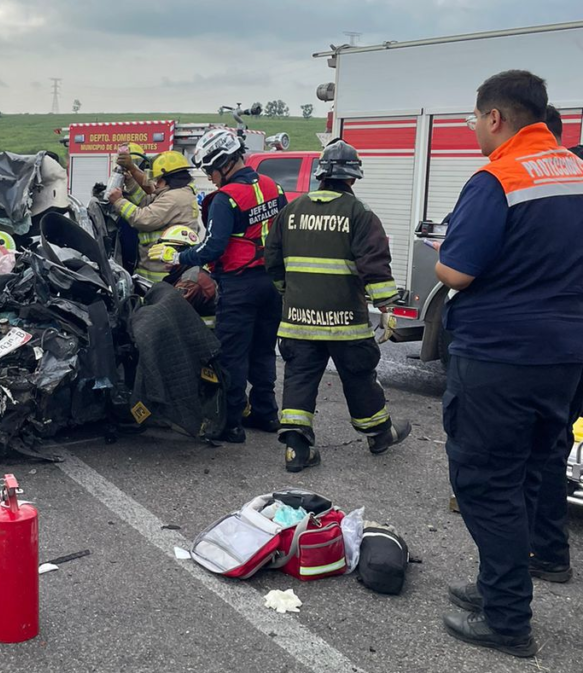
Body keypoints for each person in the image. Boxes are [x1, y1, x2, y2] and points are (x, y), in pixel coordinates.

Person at [435, 70, 583, 659]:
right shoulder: (576, 170)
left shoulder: (497, 177)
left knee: (484, 483)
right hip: (566, 359)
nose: (474, 129)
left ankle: (506, 621)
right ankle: (499, 585)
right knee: (524, 476)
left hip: (501, 356)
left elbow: (455, 271)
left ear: (495, 118)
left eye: (474, 118)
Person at [264, 139, 411, 472]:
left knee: (299, 377)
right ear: (353, 177)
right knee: (359, 376)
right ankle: (379, 435)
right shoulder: (359, 214)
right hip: (347, 322)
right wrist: (387, 308)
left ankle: (297, 451)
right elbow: (374, 264)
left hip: (298, 320)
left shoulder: (291, 210)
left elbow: (272, 258)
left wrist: (287, 290)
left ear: (320, 175)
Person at [151, 129, 285, 443]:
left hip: (240, 285)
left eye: (210, 170)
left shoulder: (225, 199)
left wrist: (179, 255)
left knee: (233, 356)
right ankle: (267, 414)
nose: (210, 178)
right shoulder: (272, 187)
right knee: (263, 352)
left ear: (223, 164)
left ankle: (231, 423)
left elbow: (213, 248)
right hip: (273, 284)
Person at [108, 150, 199, 282]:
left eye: (158, 180)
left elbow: (143, 218)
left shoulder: (174, 198)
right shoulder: (175, 193)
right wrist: (131, 181)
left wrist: (118, 201)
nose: (155, 184)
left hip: (163, 277)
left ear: (169, 179)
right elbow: (145, 201)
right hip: (154, 272)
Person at [156, 225, 217, 325]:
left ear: (185, 253)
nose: (163, 258)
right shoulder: (187, 272)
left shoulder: (191, 280)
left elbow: (169, 312)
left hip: (205, 337)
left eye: (170, 251)